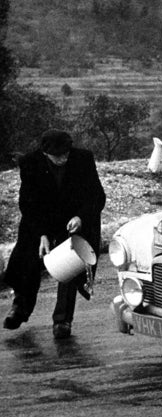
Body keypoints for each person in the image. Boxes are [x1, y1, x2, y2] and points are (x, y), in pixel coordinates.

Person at [2, 129, 105, 339]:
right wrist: (41, 234)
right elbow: (28, 203)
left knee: (70, 265)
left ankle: (62, 320)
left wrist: (81, 217)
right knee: (29, 260)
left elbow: (96, 195)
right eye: (57, 156)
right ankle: (21, 308)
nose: (62, 159)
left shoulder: (83, 159)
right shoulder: (31, 163)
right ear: (45, 153)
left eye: (65, 154)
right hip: (42, 220)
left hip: (74, 220)